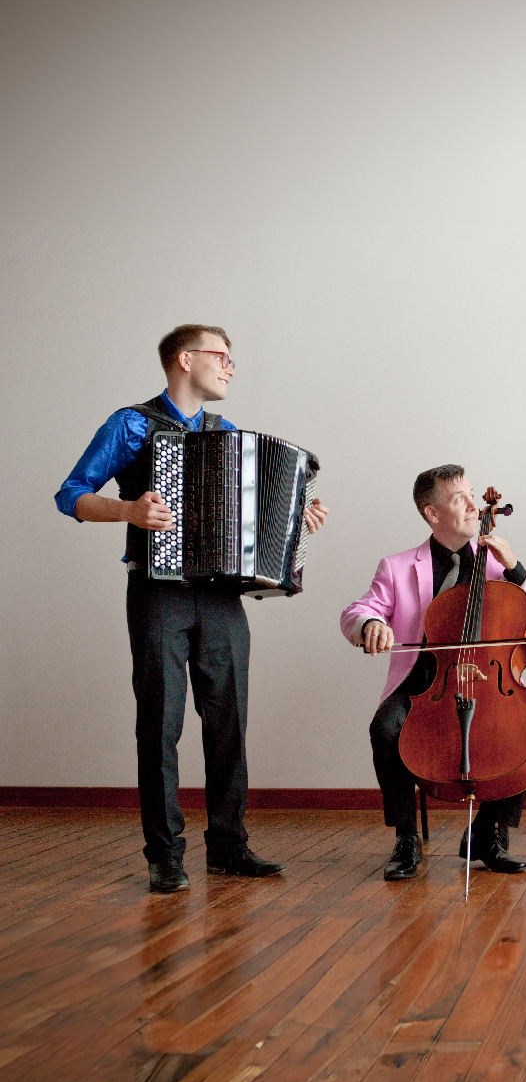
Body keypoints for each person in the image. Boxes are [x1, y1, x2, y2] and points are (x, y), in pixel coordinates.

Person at [55, 324, 328, 893]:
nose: (230, 367)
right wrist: (129, 511)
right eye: (221, 356)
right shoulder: (132, 423)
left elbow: (250, 521)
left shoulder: (226, 434)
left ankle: (229, 846)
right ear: (184, 359)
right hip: (159, 591)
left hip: (222, 596)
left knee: (229, 723)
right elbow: (71, 494)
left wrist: (295, 517)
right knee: (160, 725)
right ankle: (165, 855)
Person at [341, 465, 526, 880]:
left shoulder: (496, 566)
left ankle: (489, 835)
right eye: (460, 498)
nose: (474, 505)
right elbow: (358, 611)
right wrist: (370, 625)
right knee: (385, 727)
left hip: (486, 683)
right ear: (432, 513)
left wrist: (516, 568)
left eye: (473, 494)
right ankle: (406, 839)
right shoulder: (398, 567)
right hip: (424, 687)